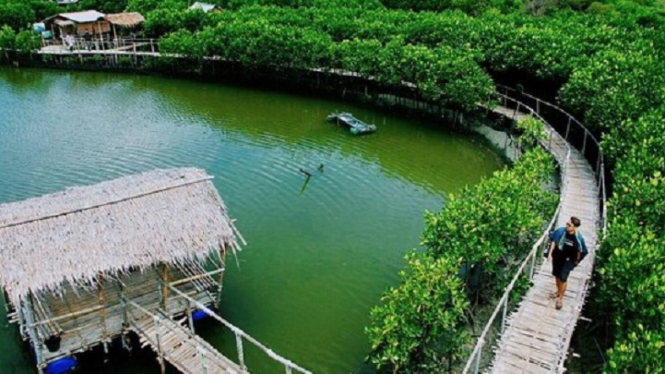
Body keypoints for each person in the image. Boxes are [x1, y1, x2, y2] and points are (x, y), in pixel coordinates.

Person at [547, 216, 588, 310]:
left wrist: (576, 261)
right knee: (557, 274)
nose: (567, 226)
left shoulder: (578, 238)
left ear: (574, 227)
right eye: (567, 224)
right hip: (558, 255)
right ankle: (558, 291)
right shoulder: (561, 231)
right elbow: (554, 241)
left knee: (563, 276)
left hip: (570, 259)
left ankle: (560, 299)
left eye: (569, 225)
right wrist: (549, 254)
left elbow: (580, 251)